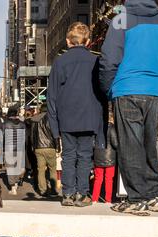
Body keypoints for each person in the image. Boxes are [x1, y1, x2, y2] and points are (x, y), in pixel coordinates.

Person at [99, 0, 158, 214]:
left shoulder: (121, 19)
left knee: (130, 144)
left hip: (127, 88)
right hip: (154, 90)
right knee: (148, 142)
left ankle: (136, 198)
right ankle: (154, 195)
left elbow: (108, 60)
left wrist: (109, 89)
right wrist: (155, 75)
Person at [48, 22, 104, 207]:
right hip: (89, 117)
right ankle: (82, 194)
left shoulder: (60, 62)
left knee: (68, 156)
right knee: (85, 156)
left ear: (67, 41)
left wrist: (54, 129)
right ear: (88, 41)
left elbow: (52, 97)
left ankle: (67, 194)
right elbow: (102, 93)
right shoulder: (96, 61)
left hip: (67, 118)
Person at [30, 104, 59, 197]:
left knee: (41, 170)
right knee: (52, 169)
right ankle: (54, 190)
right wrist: (58, 146)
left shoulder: (34, 119)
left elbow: (32, 135)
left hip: (38, 147)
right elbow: (55, 134)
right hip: (50, 147)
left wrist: (33, 147)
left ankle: (43, 190)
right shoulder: (52, 119)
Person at [92, 113, 117, 204]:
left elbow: (92, 143)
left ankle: (94, 199)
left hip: (98, 156)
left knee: (98, 178)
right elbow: (115, 143)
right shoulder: (112, 128)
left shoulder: (96, 127)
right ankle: (108, 200)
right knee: (109, 179)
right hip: (110, 158)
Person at [4, 107, 26, 196]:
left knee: (10, 168)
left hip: (9, 148)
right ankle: (16, 183)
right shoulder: (22, 124)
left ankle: (13, 187)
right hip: (20, 148)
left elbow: (2, 136)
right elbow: (25, 137)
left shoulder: (6, 123)